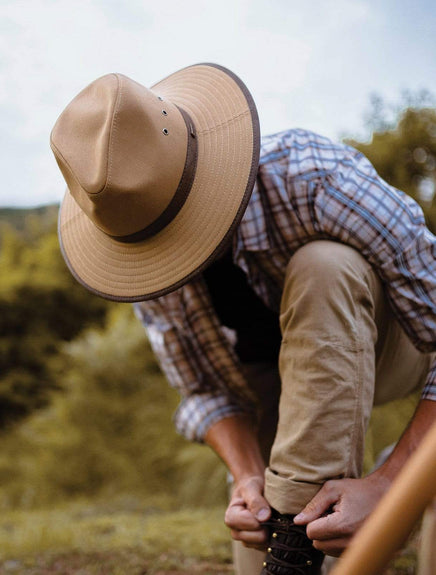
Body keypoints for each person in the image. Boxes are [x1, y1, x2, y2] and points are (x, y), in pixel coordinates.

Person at [50, 63, 436, 575]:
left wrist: (393, 482)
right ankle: (287, 531)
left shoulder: (315, 178)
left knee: (324, 266)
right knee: (262, 534)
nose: (171, 255)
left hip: (395, 344)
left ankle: (298, 550)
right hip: (274, 387)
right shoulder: (139, 246)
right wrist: (248, 475)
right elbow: (205, 393)